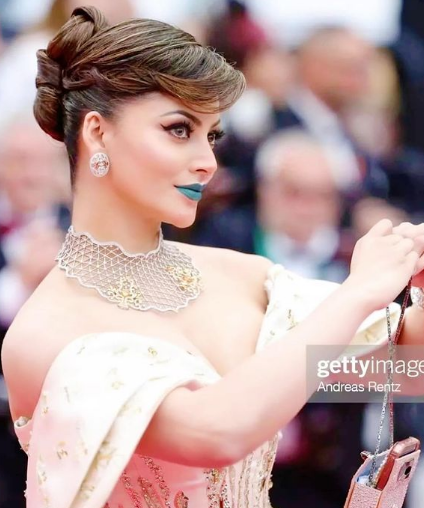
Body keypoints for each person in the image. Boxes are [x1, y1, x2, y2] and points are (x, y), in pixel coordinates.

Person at [2, 7, 424, 508]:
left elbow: (404, 371)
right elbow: (218, 433)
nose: (207, 161)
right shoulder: (45, 331)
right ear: (97, 132)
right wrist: (358, 293)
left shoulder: (241, 275)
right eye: (180, 129)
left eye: (213, 135)